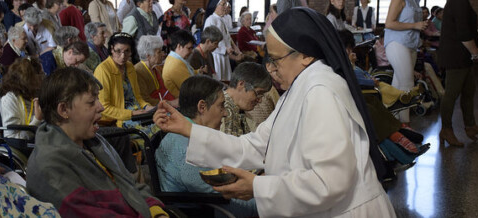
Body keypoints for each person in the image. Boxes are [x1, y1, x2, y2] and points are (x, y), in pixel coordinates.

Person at [153, 8, 396, 217]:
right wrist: (188, 129)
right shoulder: (299, 87)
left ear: (306, 55)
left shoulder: (322, 91)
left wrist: (258, 187)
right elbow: (255, 145)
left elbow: (329, 181)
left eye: (277, 60)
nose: (272, 68)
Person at [26, 67, 167, 217]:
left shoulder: (94, 142)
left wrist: (156, 212)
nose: (101, 107)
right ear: (64, 109)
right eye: (91, 102)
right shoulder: (50, 166)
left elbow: (131, 186)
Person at [156, 75, 258, 217]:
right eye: (221, 106)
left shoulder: (186, 134)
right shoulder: (187, 148)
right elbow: (225, 195)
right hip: (204, 210)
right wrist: (266, 199)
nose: (225, 113)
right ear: (202, 107)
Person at [438, 0, 478, 146]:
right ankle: (446, 130)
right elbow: (463, 32)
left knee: (469, 91)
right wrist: (474, 52)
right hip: (456, 55)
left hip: (463, 55)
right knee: (451, 93)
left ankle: (471, 126)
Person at [93, 33, 156, 130]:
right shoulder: (103, 70)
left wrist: (148, 107)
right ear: (111, 49)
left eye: (127, 51)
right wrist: (131, 113)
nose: (123, 56)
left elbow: (138, 97)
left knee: (163, 122)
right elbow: (104, 107)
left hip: (138, 111)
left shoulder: (130, 66)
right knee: (150, 131)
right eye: (118, 51)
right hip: (119, 118)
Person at [384, 0, 426, 124]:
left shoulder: (415, 2)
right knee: (408, 85)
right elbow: (389, 23)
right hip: (397, 42)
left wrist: (421, 25)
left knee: (398, 86)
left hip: (411, 44)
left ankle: (393, 122)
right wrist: (415, 25)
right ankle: (405, 124)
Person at [220, 62, 271, 136]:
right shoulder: (220, 109)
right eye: (258, 93)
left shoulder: (239, 110)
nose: (260, 100)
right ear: (241, 84)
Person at [0, 57, 44, 140]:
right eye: (40, 74)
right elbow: (13, 138)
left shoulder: (36, 93)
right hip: (25, 146)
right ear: (29, 78)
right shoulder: (9, 99)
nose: (43, 77)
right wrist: (37, 119)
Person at [204, 0, 242, 81]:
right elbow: (209, 40)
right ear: (215, 6)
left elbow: (227, 37)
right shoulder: (211, 20)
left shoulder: (222, 19)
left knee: (226, 79)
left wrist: (235, 47)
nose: (226, 7)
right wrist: (225, 49)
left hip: (224, 55)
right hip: (216, 56)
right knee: (218, 80)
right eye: (223, 4)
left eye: (226, 4)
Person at [162, 30, 205, 98]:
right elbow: (191, 89)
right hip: (184, 102)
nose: (191, 52)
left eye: (192, 48)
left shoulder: (174, 59)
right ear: (179, 46)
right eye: (189, 48)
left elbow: (188, 73)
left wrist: (198, 72)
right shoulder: (175, 65)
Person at [135, 35, 176, 106]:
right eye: (159, 52)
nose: (163, 54)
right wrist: (170, 103)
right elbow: (144, 99)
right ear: (148, 56)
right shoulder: (138, 71)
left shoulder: (155, 69)